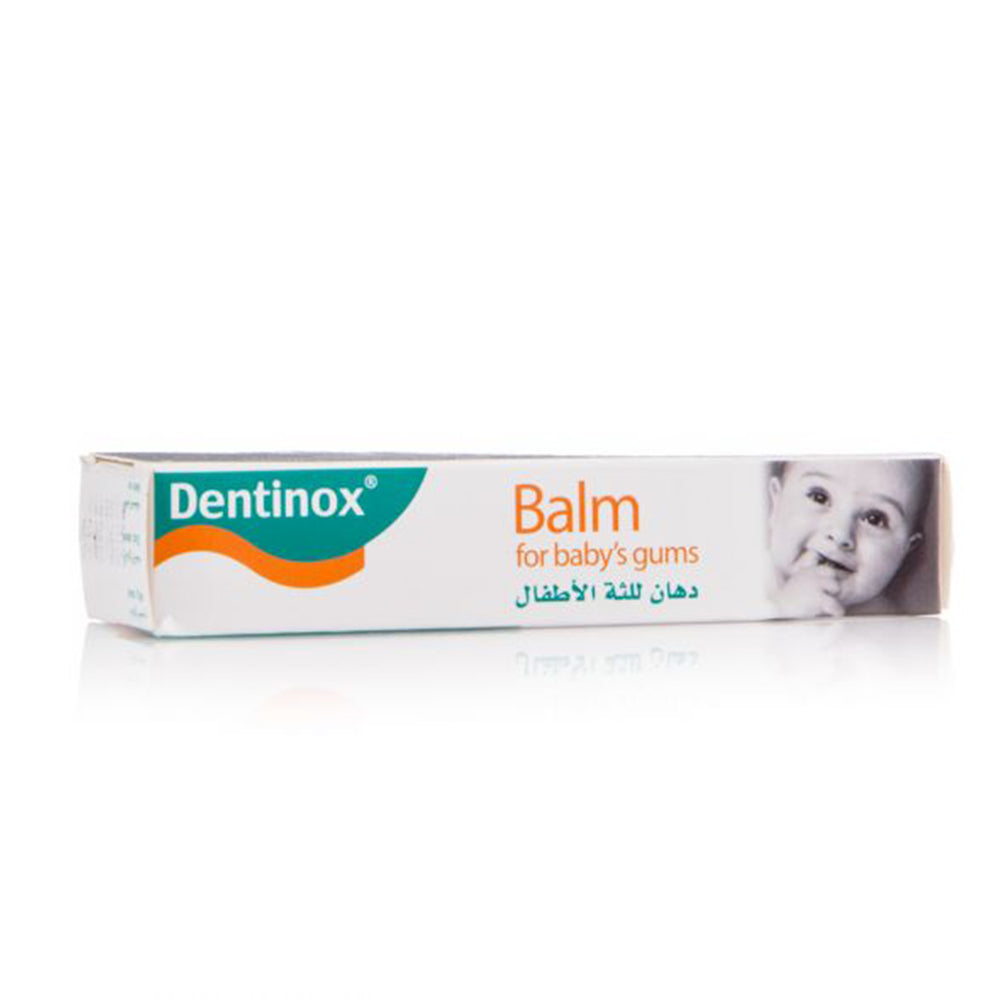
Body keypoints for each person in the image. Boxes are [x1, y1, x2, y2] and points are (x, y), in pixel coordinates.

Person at [767, 459, 931, 618]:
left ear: (907, 548)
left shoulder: (895, 626)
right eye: (819, 497)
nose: (841, 534)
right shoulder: (755, 587)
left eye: (874, 519)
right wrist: (782, 610)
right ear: (775, 502)